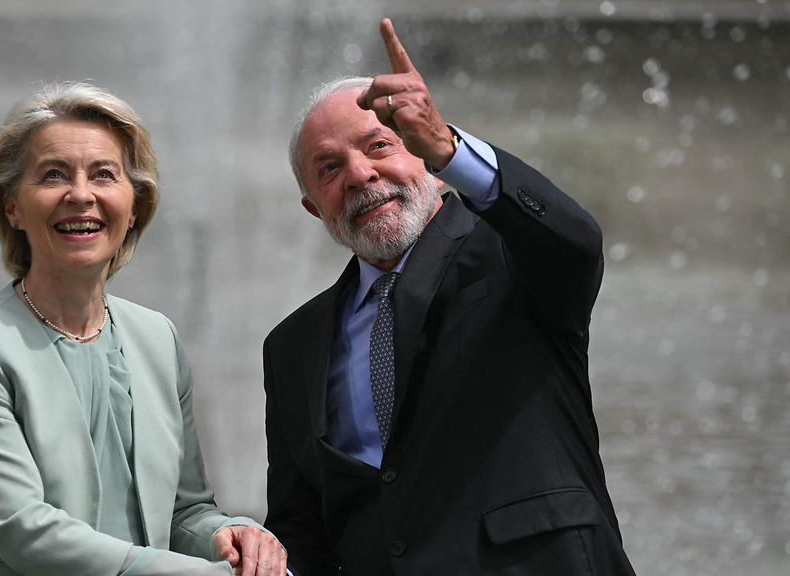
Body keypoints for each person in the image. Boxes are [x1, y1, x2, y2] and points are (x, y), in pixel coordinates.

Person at [263, 19, 636, 575]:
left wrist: (449, 147)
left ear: (430, 166)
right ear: (315, 209)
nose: (360, 174)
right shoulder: (292, 346)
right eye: (329, 168)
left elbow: (575, 242)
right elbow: (301, 528)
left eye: (379, 145)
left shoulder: (510, 255)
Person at [0, 82, 287, 576]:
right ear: (12, 207)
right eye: (53, 175)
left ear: (134, 207)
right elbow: (24, 530)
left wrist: (231, 538)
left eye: (104, 175)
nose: (80, 195)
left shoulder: (157, 339)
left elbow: (183, 512)